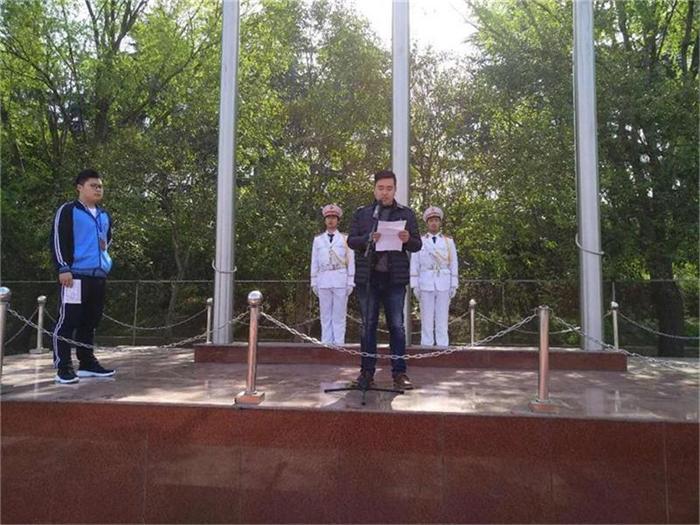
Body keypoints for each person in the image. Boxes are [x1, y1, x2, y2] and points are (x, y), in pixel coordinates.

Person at [347, 170, 422, 390]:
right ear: (374, 189)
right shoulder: (363, 214)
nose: (385, 192)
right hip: (368, 280)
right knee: (368, 326)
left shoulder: (406, 214)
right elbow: (351, 241)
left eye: (389, 188)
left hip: (394, 280)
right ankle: (366, 373)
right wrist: (367, 238)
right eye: (381, 188)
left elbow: (417, 245)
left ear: (395, 190)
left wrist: (407, 239)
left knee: (397, 326)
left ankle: (399, 373)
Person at [50, 169, 116, 384]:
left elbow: (107, 240)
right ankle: (63, 367)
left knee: (90, 321)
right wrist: (63, 267)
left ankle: (87, 363)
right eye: (93, 186)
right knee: (68, 320)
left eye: (100, 186)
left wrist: (104, 258)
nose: (98, 189)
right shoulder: (68, 210)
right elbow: (58, 239)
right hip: (75, 275)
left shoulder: (104, 215)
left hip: (98, 276)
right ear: (80, 187)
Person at [410, 206, 459, 347]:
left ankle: (443, 347)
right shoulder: (420, 241)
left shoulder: (448, 242)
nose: (434, 223)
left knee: (442, 319)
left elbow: (453, 263)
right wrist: (415, 285)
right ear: (427, 223)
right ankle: (426, 346)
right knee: (426, 318)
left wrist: (454, 284)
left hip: (444, 281)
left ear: (440, 222)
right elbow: (415, 263)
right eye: (431, 221)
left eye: (436, 220)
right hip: (426, 281)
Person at [310, 204, 355, 344]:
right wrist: (314, 281)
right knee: (325, 315)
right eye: (328, 217)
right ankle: (326, 344)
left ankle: (339, 344)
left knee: (339, 315)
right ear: (325, 220)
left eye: (333, 218)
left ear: (338, 220)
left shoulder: (345, 239)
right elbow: (314, 262)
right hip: (323, 279)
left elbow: (351, 261)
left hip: (340, 278)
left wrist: (350, 281)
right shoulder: (318, 240)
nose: (331, 220)